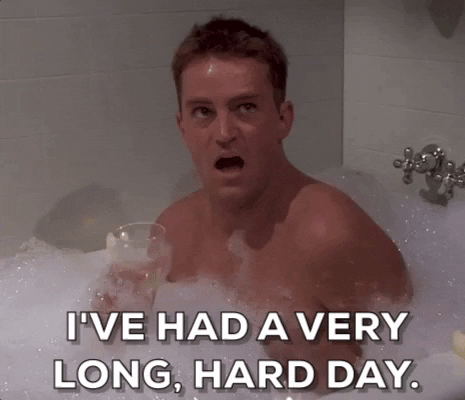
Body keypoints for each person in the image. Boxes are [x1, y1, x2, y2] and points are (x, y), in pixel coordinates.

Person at [93, 16, 413, 393]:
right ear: (182, 128)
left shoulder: (332, 236)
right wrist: (115, 319)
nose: (224, 133)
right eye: (203, 112)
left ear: (283, 119)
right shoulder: (174, 230)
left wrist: (327, 368)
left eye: (245, 107)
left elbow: (418, 356)